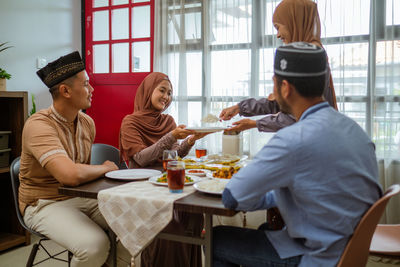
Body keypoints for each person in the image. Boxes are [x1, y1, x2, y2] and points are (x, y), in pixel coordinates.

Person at [212, 42, 382, 267]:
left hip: (315, 257)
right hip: (347, 252)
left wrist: (273, 190)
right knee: (266, 230)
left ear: (285, 88)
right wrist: (281, 192)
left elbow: (233, 197)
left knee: (216, 239)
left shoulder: (293, 138)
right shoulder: (355, 131)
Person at [19, 51, 119, 267]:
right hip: (43, 203)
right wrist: (104, 168)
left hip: (79, 197)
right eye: (86, 84)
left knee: (132, 228)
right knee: (94, 246)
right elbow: (70, 175)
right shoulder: (38, 125)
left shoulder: (86, 123)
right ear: (65, 91)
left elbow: (81, 171)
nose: (92, 90)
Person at [119, 72, 206, 267]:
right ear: (148, 90)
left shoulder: (168, 121)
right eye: (162, 90)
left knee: (194, 217)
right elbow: (140, 159)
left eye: (170, 93)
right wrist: (171, 136)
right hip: (143, 189)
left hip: (168, 184)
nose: (166, 97)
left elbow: (173, 157)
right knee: (171, 226)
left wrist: (191, 140)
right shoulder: (130, 122)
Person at [219, 0, 338, 133]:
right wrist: (240, 108)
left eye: (278, 27)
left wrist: (255, 123)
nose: (278, 35)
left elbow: (297, 114)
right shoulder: (312, 52)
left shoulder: (308, 57)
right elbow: (284, 102)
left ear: (294, 23)